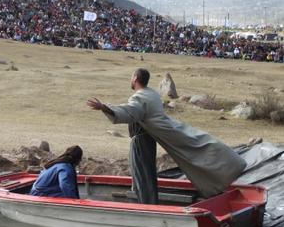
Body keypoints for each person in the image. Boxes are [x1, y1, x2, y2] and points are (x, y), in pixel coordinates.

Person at [87, 68, 246, 198]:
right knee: (197, 144)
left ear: (135, 78)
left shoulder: (140, 97)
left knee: (142, 174)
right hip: (154, 137)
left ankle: (145, 204)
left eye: (131, 77)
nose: (130, 80)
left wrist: (104, 107)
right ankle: (144, 199)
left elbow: (130, 111)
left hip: (141, 142)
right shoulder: (152, 94)